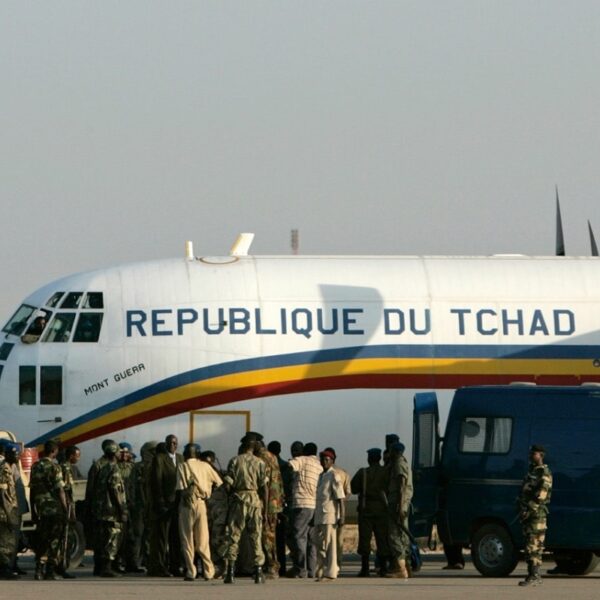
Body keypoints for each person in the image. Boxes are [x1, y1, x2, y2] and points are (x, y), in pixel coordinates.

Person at [220, 437, 267, 584]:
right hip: (254, 499)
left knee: (233, 535)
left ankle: (230, 573)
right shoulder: (260, 462)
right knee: (256, 535)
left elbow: (228, 484)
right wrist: (264, 509)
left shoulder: (235, 460)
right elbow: (264, 487)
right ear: (253, 448)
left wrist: (230, 496)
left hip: (239, 499)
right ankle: (258, 572)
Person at [176, 442, 222, 581]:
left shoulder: (183, 466)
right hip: (202, 503)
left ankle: (191, 571)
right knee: (203, 540)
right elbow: (219, 482)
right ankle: (209, 571)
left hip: (187, 504)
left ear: (186, 453)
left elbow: (180, 488)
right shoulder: (206, 466)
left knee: (187, 539)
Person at [30, 439, 69, 580]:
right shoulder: (54, 467)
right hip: (54, 509)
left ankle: (38, 570)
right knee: (54, 541)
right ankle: (49, 571)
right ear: (54, 451)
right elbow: (60, 490)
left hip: (41, 509)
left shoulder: (35, 466)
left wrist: (33, 510)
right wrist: (65, 509)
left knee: (42, 540)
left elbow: (32, 490)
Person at [351, 447, 391, 576]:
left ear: (369, 459)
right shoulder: (386, 472)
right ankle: (384, 568)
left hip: (366, 510)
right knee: (382, 539)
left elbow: (353, 488)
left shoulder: (363, 473)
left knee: (364, 540)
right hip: (382, 510)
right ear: (379, 458)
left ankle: (365, 568)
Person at [147, 435, 183, 577]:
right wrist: (160, 501)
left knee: (176, 537)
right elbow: (156, 481)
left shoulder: (180, 458)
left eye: (175, 443)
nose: (173, 445)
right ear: (166, 444)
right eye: (170, 443)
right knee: (161, 538)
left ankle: (175, 566)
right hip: (164, 504)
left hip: (177, 504)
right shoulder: (160, 458)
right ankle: (159, 566)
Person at [517, 444, 552, 587]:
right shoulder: (532, 471)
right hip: (529, 514)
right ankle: (533, 574)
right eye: (531, 453)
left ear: (541, 455)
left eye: (534, 454)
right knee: (530, 545)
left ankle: (534, 575)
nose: (531, 456)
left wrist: (529, 510)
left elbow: (541, 495)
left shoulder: (544, 473)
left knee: (534, 545)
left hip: (537, 515)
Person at [286, 442, 322, 579]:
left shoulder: (302, 460)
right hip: (314, 505)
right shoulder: (318, 465)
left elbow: (290, 465)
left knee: (298, 537)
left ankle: (300, 569)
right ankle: (311, 570)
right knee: (311, 539)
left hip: (301, 503)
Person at [93, 441, 128, 577]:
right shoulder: (115, 470)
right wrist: (122, 509)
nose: (120, 454)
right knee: (112, 540)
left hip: (102, 510)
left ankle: (100, 568)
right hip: (111, 511)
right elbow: (116, 492)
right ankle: (106, 569)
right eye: (119, 451)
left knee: (103, 539)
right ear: (114, 453)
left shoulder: (104, 468)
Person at [313, 450, 345, 582]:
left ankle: (331, 572)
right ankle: (320, 571)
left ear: (332, 461)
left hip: (330, 515)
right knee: (319, 544)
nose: (324, 462)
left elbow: (340, 498)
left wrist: (342, 516)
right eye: (322, 459)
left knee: (330, 544)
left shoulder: (334, 475)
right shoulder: (321, 476)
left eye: (327, 460)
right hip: (319, 514)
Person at [255, 440, 284, 578]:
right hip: (275, 502)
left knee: (267, 537)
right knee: (271, 536)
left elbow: (264, 485)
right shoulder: (273, 457)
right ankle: (272, 566)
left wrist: (265, 510)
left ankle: (272, 567)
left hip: (266, 504)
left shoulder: (261, 458)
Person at [385, 441, 413, 580]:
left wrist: (399, 506)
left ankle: (401, 569)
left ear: (395, 452)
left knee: (394, 536)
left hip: (397, 504)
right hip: (401, 504)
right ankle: (406, 567)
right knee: (402, 535)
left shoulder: (398, 464)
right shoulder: (404, 463)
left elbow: (401, 486)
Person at [324, 446, 351, 570]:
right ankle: (337, 565)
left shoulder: (324, 474)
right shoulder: (343, 473)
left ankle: (328, 565)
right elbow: (347, 493)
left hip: (327, 511)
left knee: (326, 539)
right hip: (339, 510)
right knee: (338, 541)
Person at [0, 442, 20, 580]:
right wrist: (7, 513)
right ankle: (4, 570)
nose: (17, 456)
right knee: (5, 542)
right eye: (14, 454)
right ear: (7, 455)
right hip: (4, 512)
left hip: (9, 510)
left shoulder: (10, 467)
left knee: (9, 541)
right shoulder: (4, 470)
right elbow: (1, 493)